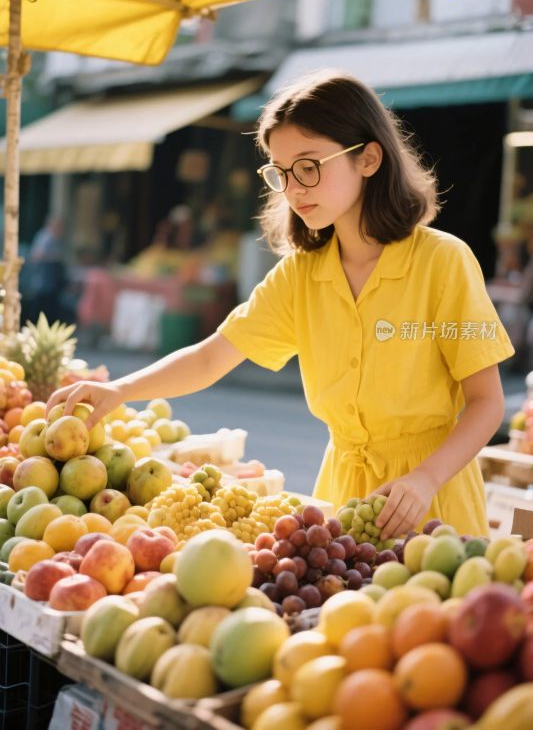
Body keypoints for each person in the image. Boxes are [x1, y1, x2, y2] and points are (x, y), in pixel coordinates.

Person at [46, 71, 514, 539]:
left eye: (309, 167)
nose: (293, 188)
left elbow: (487, 403)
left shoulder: (442, 261)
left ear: (369, 158)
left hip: (434, 500)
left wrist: (425, 478)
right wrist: (119, 390)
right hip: (342, 498)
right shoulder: (300, 274)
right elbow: (211, 357)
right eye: (281, 172)